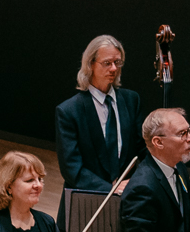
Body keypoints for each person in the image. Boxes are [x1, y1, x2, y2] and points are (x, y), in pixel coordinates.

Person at [54, 35, 141, 196]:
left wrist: (137, 182)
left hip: (127, 198)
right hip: (86, 198)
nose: (114, 68)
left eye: (117, 62)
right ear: (90, 64)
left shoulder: (131, 100)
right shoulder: (69, 111)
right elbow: (71, 168)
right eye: (107, 63)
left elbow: (143, 150)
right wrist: (110, 190)